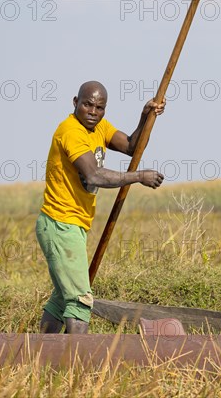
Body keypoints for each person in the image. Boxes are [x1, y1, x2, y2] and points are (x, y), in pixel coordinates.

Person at [36, 81, 165, 334]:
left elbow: (130, 146)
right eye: (87, 105)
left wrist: (145, 117)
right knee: (80, 301)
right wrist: (138, 177)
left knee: (62, 299)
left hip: (73, 224)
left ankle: (43, 356)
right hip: (60, 223)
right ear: (75, 102)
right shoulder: (70, 131)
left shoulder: (99, 127)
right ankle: (76, 366)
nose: (93, 111)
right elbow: (94, 175)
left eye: (99, 107)